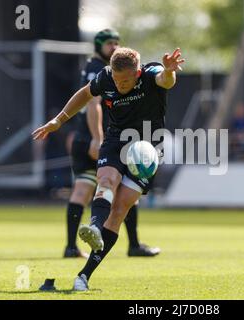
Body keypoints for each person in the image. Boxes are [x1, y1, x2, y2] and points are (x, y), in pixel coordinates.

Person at [33, 47, 185, 291]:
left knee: (120, 209)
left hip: (147, 148)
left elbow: (165, 80)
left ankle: (83, 276)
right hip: (115, 141)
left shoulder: (151, 72)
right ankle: (93, 226)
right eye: (116, 80)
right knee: (105, 180)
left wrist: (169, 70)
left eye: (125, 80)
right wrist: (58, 120)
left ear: (137, 73)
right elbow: (84, 94)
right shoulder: (105, 77)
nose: (120, 85)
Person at [63, 29, 160, 259]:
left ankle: (73, 246)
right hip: (98, 138)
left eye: (117, 42)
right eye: (109, 43)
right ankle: (129, 244)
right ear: (98, 46)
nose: (114, 47)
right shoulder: (102, 71)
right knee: (107, 189)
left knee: (104, 190)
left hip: (92, 137)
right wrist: (97, 137)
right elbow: (93, 104)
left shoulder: (93, 66)